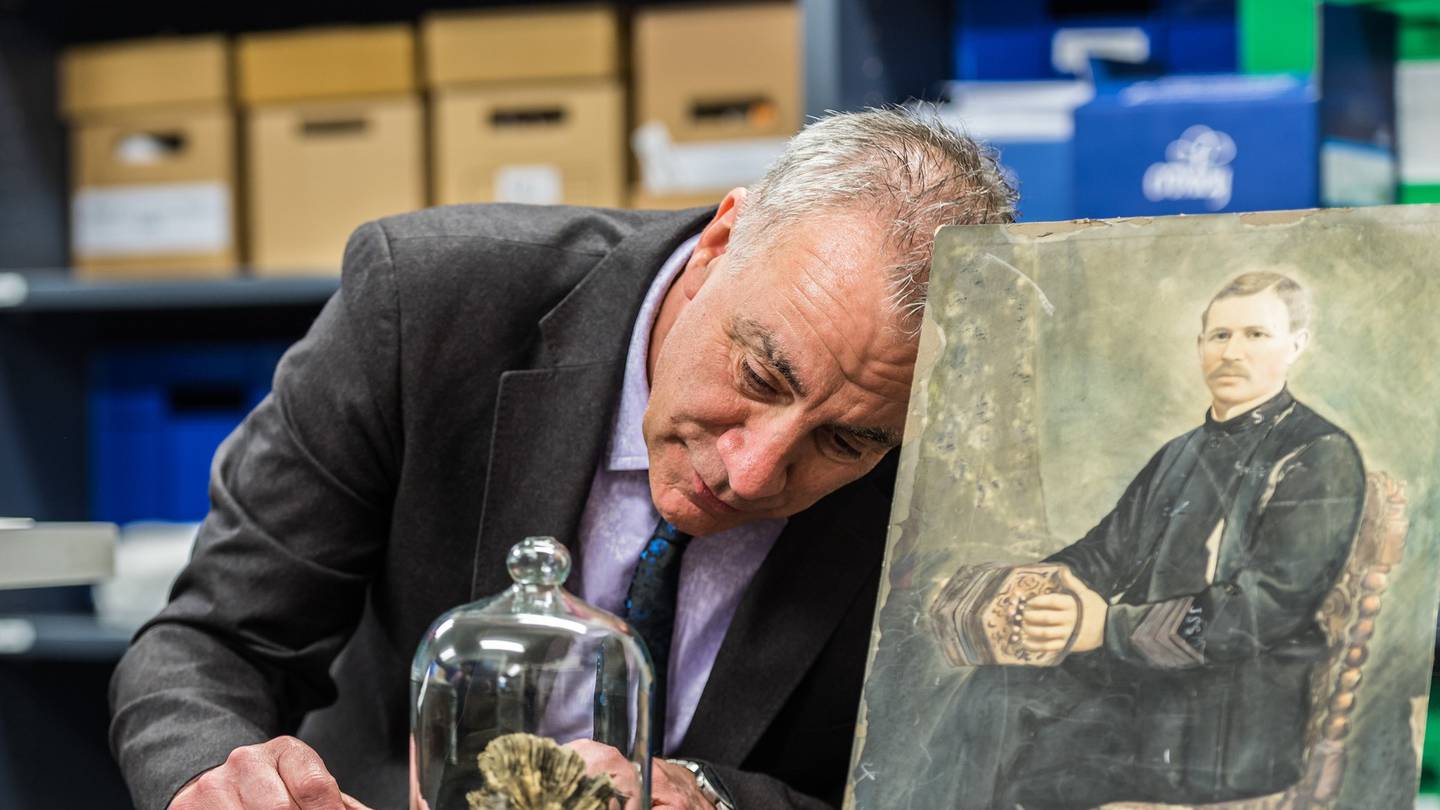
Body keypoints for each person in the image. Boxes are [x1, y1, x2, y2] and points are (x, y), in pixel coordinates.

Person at [108, 108, 1017, 810]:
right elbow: (214, 641)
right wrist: (212, 772)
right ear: (718, 244)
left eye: (845, 441)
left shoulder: (956, 457)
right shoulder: (427, 303)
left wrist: (714, 795)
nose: (754, 471)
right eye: (760, 373)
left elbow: (958, 783)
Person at [932, 271, 1367, 809]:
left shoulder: (1321, 454)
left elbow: (1262, 610)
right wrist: (1029, 591)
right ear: (1201, 346)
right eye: (1220, 335)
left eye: (1256, 335)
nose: (1233, 352)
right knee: (992, 694)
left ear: (1295, 345)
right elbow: (1103, 552)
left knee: (1030, 746)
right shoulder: (1179, 453)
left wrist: (1106, 628)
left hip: (1230, 715)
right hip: (1147, 683)